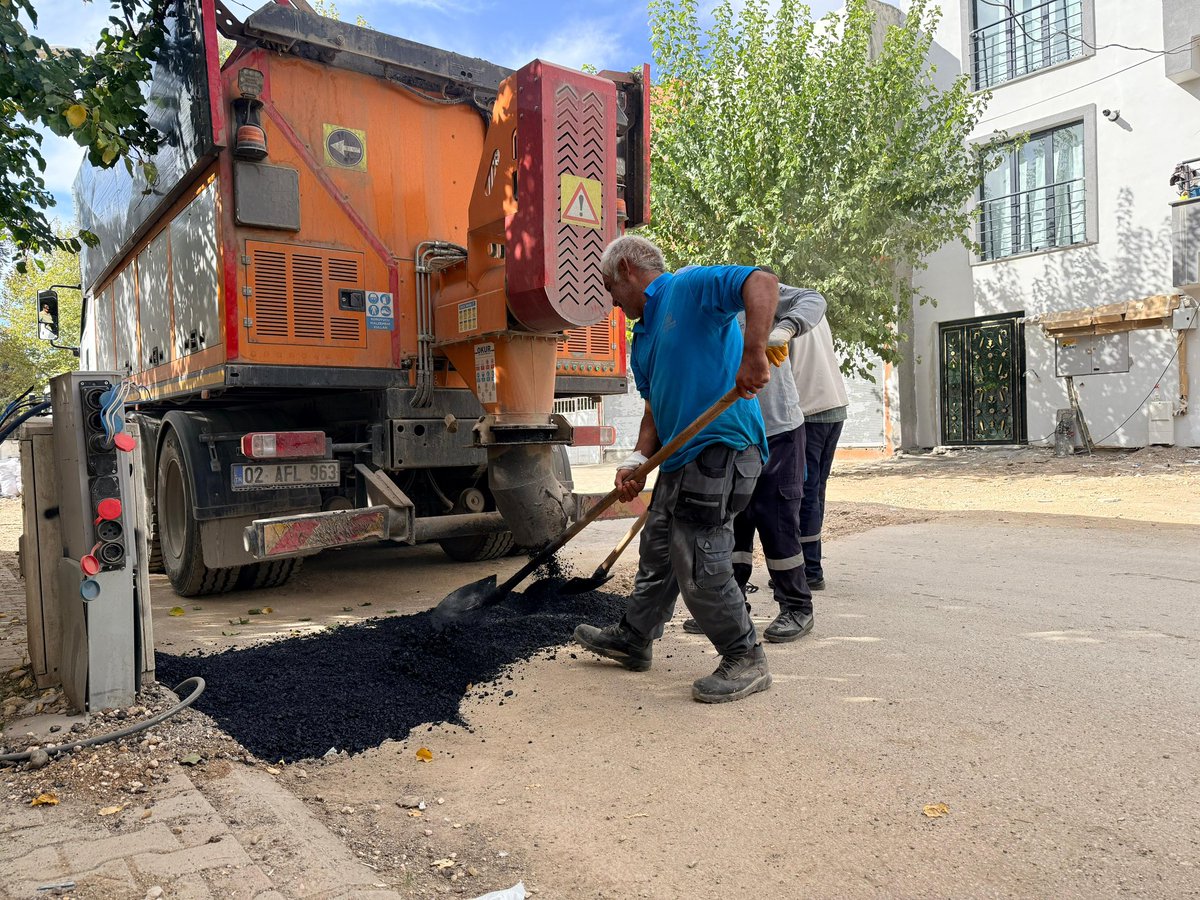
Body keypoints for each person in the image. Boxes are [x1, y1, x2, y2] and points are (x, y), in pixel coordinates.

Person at [573, 235, 780, 704]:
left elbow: (762, 282)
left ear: (627, 269)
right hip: (679, 457)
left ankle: (745, 655)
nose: (611, 300)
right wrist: (636, 461)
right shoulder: (642, 339)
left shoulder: (688, 287)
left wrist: (754, 352)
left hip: (723, 447)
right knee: (659, 549)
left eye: (610, 287)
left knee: (698, 557)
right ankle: (634, 638)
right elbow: (653, 411)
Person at [681, 283, 827, 641]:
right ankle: (733, 605)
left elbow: (814, 299)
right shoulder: (701, 311)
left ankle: (796, 607)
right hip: (734, 432)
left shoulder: (753, 293)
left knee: (776, 518)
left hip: (779, 429)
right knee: (735, 522)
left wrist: (783, 329)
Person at [792, 317, 849, 590]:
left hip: (809, 412)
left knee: (803, 493)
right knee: (815, 491)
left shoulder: (775, 315)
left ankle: (810, 570)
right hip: (834, 407)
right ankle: (808, 565)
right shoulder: (810, 310)